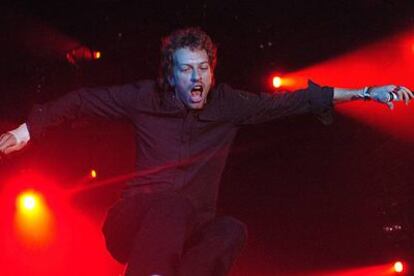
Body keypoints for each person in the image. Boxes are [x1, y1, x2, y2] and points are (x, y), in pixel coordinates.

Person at [0, 27, 412, 276]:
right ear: (171, 74)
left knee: (230, 230)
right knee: (173, 206)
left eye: (203, 69)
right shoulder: (144, 96)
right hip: (132, 226)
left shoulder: (228, 103)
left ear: (212, 70)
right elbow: (81, 101)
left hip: (187, 233)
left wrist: (365, 92)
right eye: (186, 69)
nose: (197, 78)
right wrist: (26, 129)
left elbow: (294, 102)